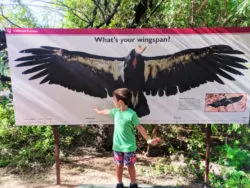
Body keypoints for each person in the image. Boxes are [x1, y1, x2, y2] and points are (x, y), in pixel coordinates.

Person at [95, 88, 161, 188]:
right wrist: (99, 112)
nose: (113, 102)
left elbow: (140, 127)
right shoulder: (116, 112)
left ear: (120, 101)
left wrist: (148, 140)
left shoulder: (131, 114)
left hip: (129, 147)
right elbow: (107, 111)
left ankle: (133, 183)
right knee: (118, 165)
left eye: (114, 99)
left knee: (130, 166)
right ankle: (119, 183)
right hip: (117, 147)